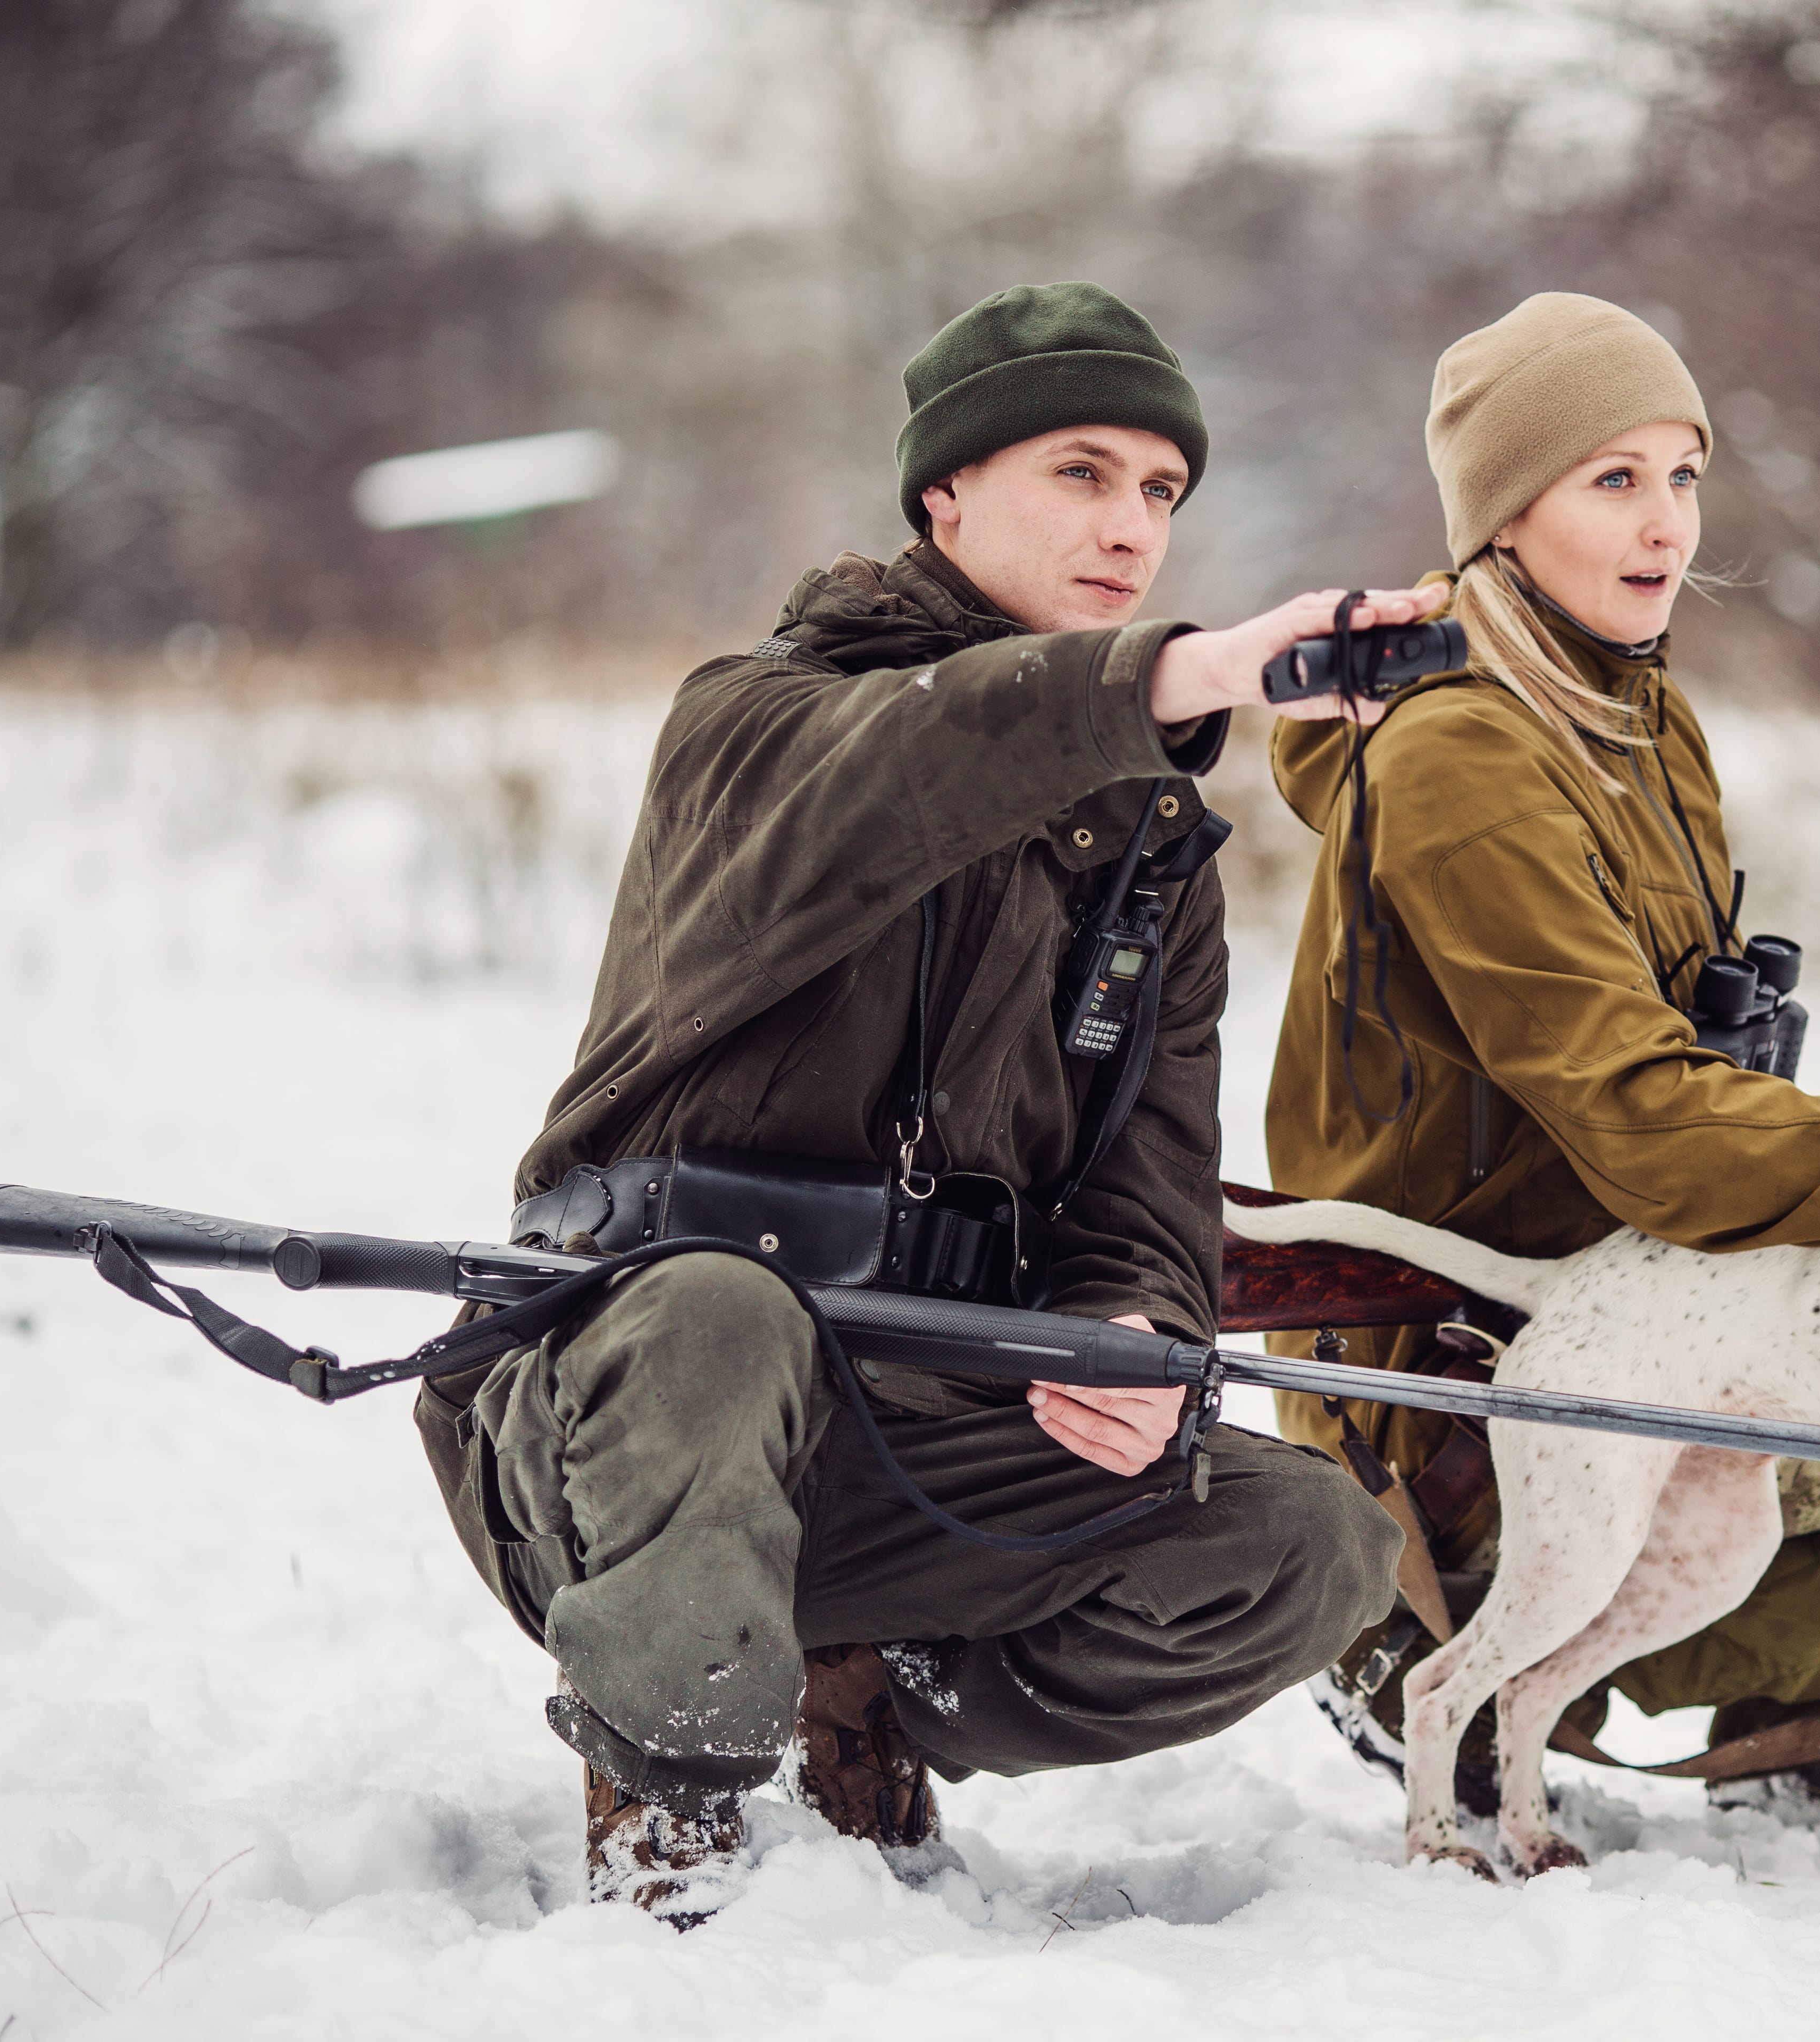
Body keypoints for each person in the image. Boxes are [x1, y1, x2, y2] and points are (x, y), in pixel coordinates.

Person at [411, 281, 1417, 1922]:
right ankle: (671, 1803)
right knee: (719, 1315)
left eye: (1162, 491)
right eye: (1082, 473)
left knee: (1309, 1543)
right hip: (621, 1428)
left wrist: (1139, 1341)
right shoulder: (754, 727)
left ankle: (874, 1696)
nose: (1132, 525)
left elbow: (1150, 1193)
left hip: (919, 1447)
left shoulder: (1155, 855)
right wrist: (1183, 674)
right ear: (944, 493)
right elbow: (918, 769)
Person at [1261, 292, 1820, 1823]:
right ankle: (1413, 1654)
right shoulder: (1462, 750)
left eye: (1684, 474)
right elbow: (1646, 1124)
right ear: (1504, 515)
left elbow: (1684, 1090)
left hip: (1660, 1281)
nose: (1666, 521)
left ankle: (1812, 1717)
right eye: (1612, 479)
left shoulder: (1633, 711)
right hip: (1469, 1363)